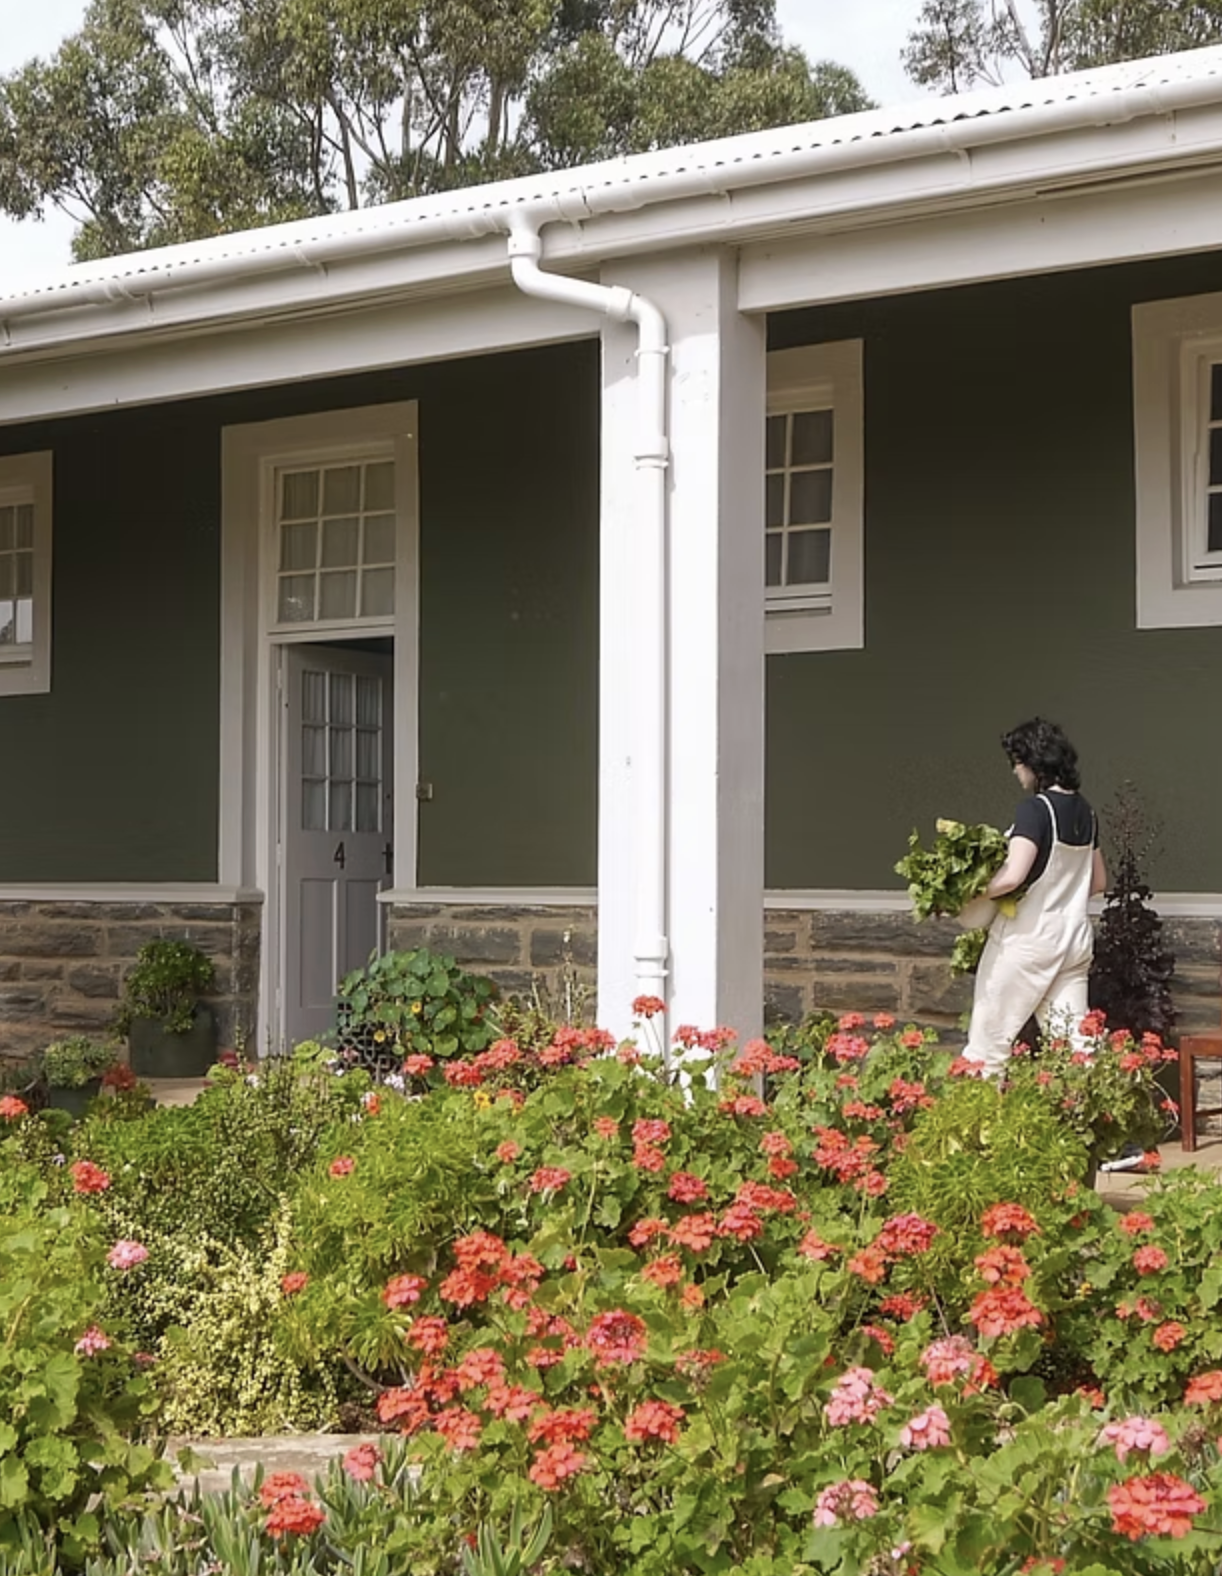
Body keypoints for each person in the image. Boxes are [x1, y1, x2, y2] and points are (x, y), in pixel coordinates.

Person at [962, 718, 1107, 1078]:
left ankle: (977, 1126)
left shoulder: (1035, 810)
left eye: (1017, 761)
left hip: (1027, 944)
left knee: (988, 1044)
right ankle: (1096, 1118)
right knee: (1077, 1044)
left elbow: (1013, 875)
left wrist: (968, 891)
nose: (1015, 770)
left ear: (1034, 762)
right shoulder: (1086, 812)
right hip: (1073, 942)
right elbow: (1099, 881)